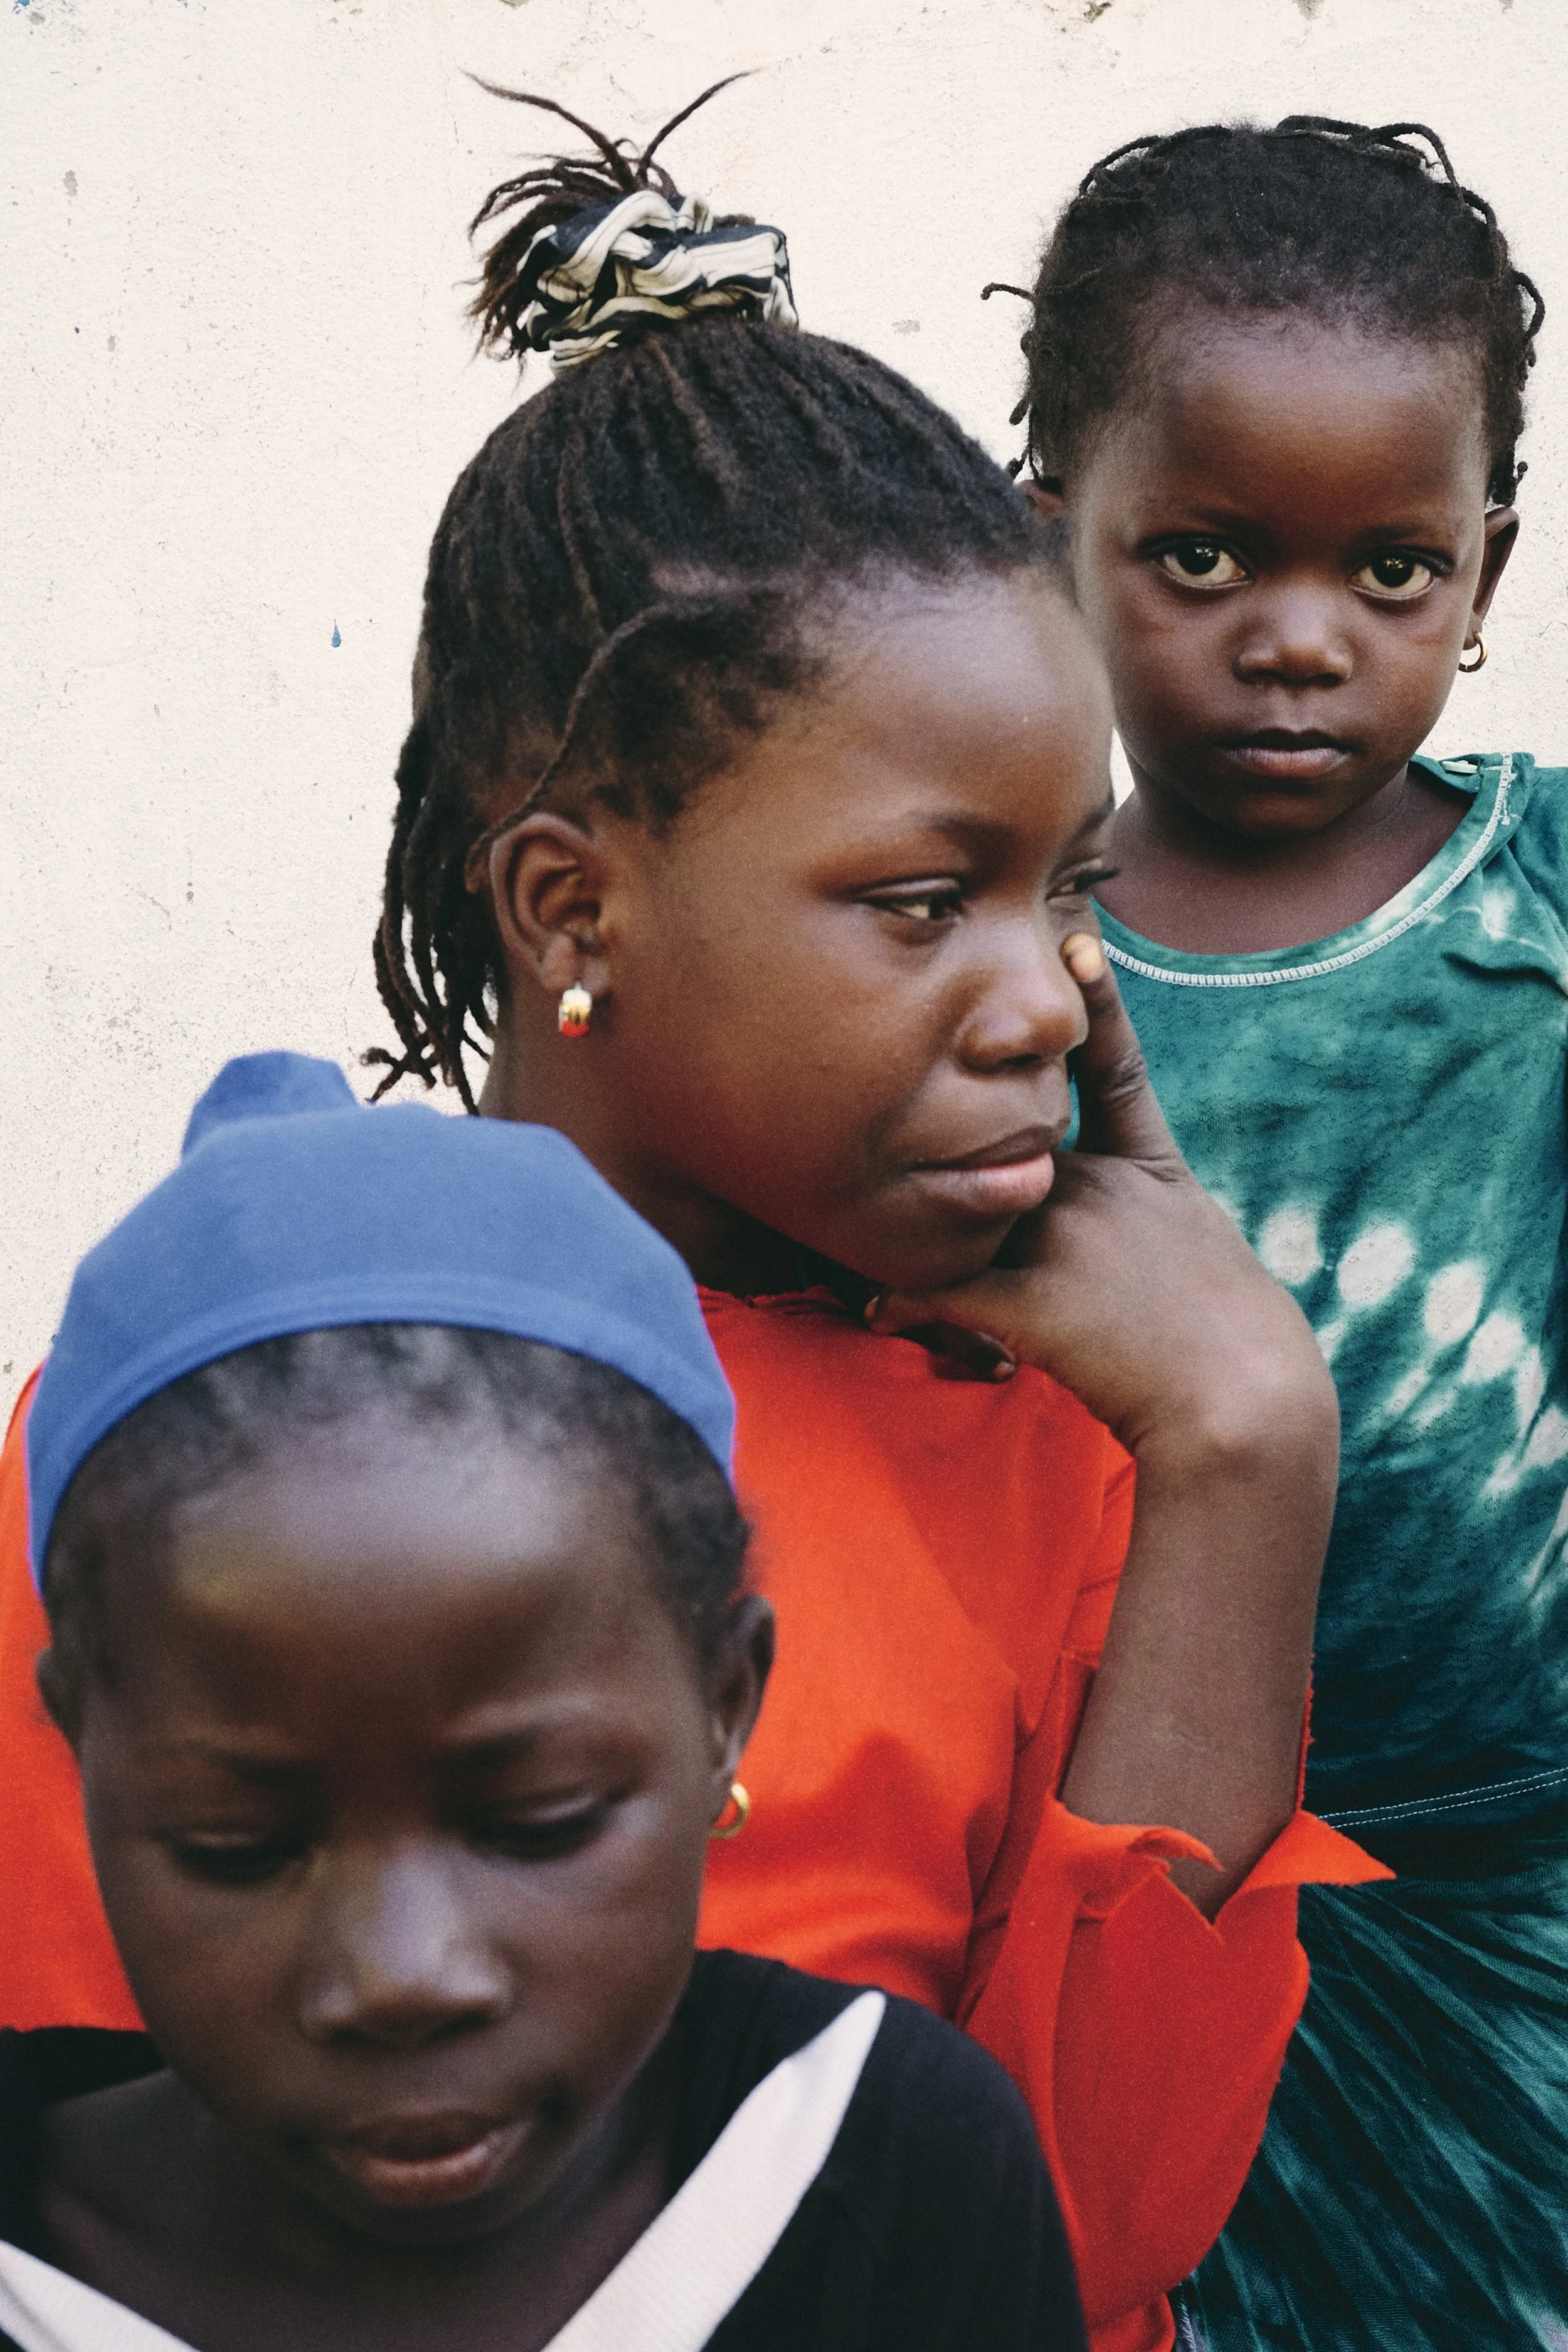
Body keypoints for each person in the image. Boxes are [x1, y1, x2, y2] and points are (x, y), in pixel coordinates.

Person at [0, 94, 1380, 2352]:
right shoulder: (243, 1425)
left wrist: (1245, 1445)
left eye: (1070, 893)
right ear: (577, 902)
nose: (1047, 999)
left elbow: (1075, 2240)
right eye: (924, 902)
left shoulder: (1066, 1454)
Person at [0, 1050, 1089, 2352]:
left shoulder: (875, 2159)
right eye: (238, 1846)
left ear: (724, 1706)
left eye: (541, 1821)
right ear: (82, 1741)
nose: (406, 1974)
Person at [1002, 115, 1567, 2350]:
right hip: (1129, 1897)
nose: (1301, 644)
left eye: (1391, 575)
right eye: (1209, 559)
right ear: (1059, 544)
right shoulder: (998, 960)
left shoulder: (1539, 911)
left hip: (1522, 1896)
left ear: (1487, 567)